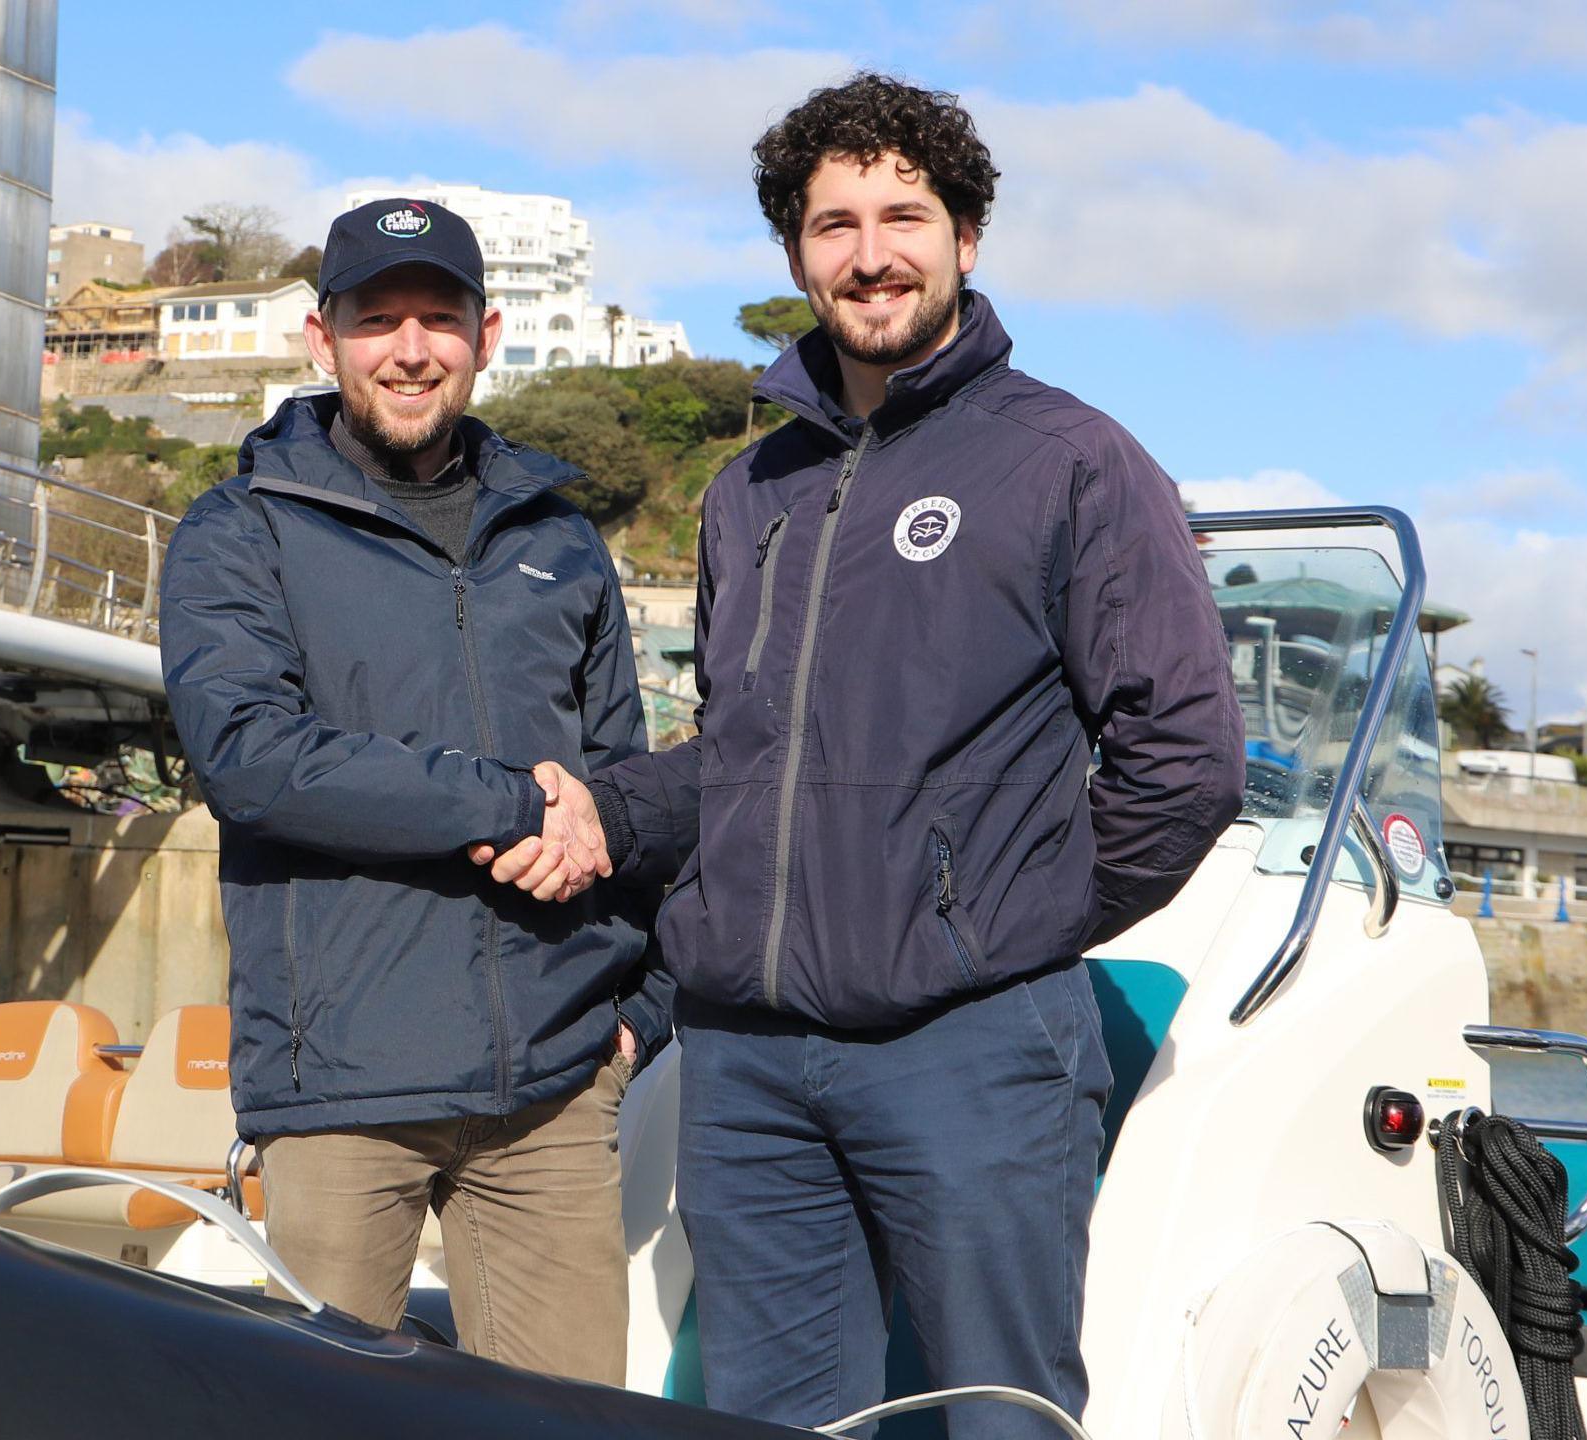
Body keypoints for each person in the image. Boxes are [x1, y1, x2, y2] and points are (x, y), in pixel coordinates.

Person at [477, 74, 1246, 1430]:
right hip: (749, 1061)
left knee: (995, 1414)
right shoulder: (748, 492)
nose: (871, 252)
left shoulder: (1070, 461)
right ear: (794, 253)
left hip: (970, 1050)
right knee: (774, 1417)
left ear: (967, 238)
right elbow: (744, 757)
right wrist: (602, 809)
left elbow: (1183, 763)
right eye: (835, 223)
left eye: (906, 214)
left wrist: (982, 933)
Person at [159, 197, 668, 1386]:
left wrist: (649, 1004)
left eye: (438, 317)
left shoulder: (561, 540)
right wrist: (504, 805)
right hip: (344, 1085)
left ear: (485, 337)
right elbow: (250, 756)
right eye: (375, 317)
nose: (408, 346)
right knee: (325, 1422)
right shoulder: (240, 531)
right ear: (319, 337)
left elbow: (624, 788)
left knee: (567, 1424)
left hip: (553, 1083)